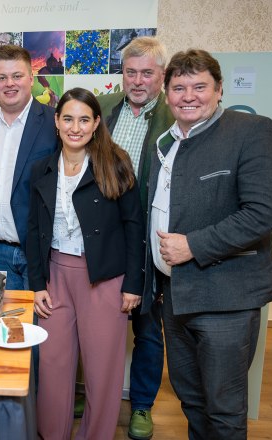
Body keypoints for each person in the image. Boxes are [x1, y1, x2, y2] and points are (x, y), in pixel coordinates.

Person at [148, 49, 272, 439]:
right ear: (167, 94)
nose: (188, 96)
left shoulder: (252, 132)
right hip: (175, 296)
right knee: (191, 399)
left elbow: (262, 213)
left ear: (220, 89)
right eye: (179, 88)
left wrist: (193, 245)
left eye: (199, 86)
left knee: (224, 409)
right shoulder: (166, 143)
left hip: (226, 299)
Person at [27, 87, 145, 440]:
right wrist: (37, 284)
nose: (75, 127)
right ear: (56, 122)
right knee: (53, 364)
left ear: (96, 123)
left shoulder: (115, 164)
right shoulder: (43, 169)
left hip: (104, 279)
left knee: (101, 370)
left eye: (83, 120)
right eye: (68, 119)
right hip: (55, 276)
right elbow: (33, 229)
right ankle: (52, 434)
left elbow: (134, 226)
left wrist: (133, 285)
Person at [96, 36, 174, 440]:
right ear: (121, 74)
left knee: (146, 329)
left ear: (162, 75)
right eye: (131, 72)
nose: (138, 81)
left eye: (147, 73)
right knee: (95, 324)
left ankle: (141, 405)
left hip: (147, 241)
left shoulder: (174, 116)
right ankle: (92, 394)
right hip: (99, 238)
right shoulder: (103, 107)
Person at [0, 44, 56, 290]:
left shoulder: (53, 122)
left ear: (31, 78)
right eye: (1, 78)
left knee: (38, 317)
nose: (9, 84)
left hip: (39, 255)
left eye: (17, 76)